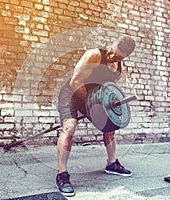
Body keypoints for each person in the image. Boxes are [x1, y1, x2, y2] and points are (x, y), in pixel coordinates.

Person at [56, 35, 136, 197]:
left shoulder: (119, 70)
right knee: (69, 127)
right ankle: (62, 175)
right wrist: (92, 105)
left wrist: (104, 107)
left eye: (118, 57)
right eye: (112, 52)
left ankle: (112, 163)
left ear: (125, 57)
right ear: (112, 45)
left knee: (110, 127)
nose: (113, 57)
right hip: (72, 94)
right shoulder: (94, 55)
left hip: (94, 100)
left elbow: (109, 90)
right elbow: (75, 82)